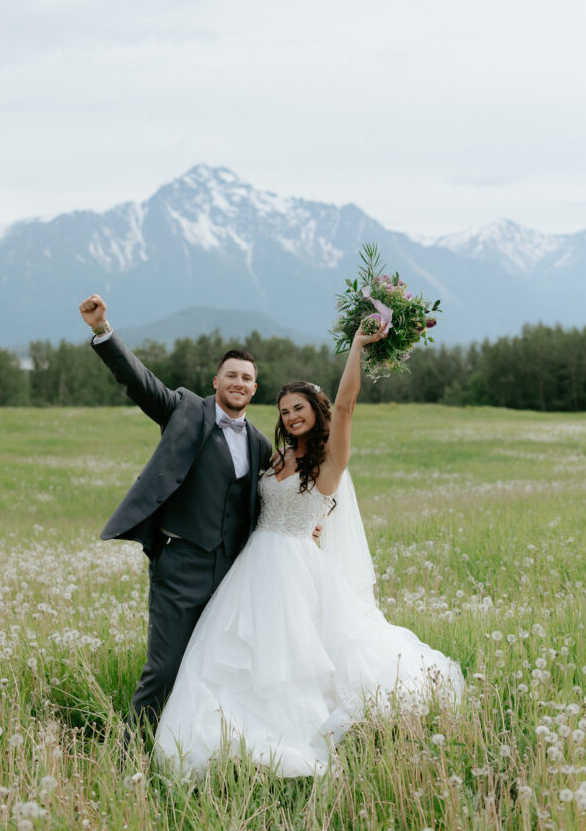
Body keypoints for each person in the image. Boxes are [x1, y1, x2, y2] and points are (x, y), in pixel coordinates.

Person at [154, 319, 465, 777]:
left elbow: (346, 406)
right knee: (231, 655)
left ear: (315, 410)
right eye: (283, 411)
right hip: (253, 567)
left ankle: (287, 736)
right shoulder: (275, 458)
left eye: (298, 408)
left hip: (295, 567)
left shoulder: (329, 463)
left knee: (293, 659)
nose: (290, 417)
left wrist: (358, 346)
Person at [79, 293, 284, 737]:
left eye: (247, 378)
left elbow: (272, 501)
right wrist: (103, 331)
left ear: (254, 389)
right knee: (165, 668)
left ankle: (200, 754)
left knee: (222, 669)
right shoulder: (184, 410)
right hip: (180, 564)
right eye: (231, 374)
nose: (238, 382)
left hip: (232, 573)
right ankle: (131, 753)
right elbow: (139, 381)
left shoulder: (261, 444)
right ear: (216, 381)